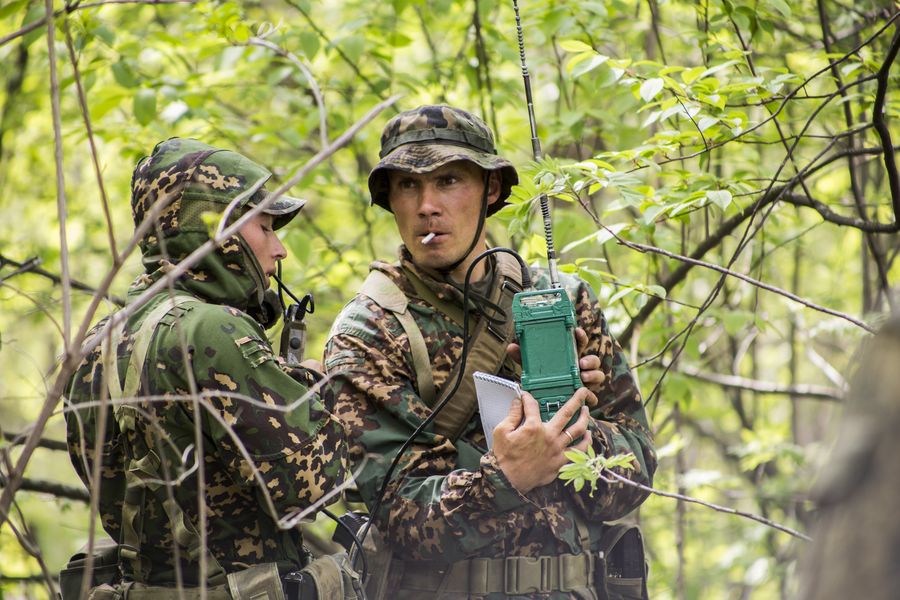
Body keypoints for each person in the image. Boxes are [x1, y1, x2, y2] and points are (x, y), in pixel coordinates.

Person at [322, 105, 657, 598]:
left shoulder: (558, 301)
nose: (426, 206)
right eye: (408, 186)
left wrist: (580, 442)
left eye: (449, 181)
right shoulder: (370, 331)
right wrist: (509, 476)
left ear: (491, 190)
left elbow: (639, 467)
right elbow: (398, 518)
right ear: (390, 200)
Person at [64, 138, 356, 600]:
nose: (280, 251)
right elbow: (314, 489)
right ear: (218, 232)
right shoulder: (213, 330)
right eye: (265, 228)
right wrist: (314, 390)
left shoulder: (97, 341)